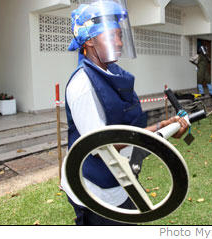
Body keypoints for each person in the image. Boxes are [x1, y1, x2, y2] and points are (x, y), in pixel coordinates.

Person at [61, 0, 189, 225]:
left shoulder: (113, 73)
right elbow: (102, 145)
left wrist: (166, 125)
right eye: (112, 36)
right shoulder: (82, 85)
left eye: (121, 35)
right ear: (89, 40)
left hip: (121, 180)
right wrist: (159, 130)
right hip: (94, 191)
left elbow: (128, 129)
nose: (119, 43)